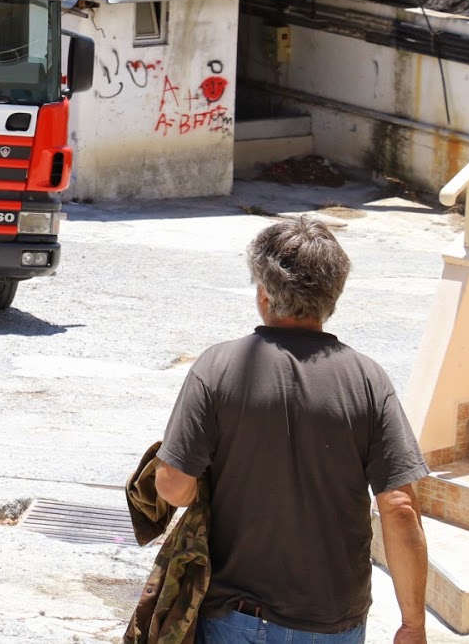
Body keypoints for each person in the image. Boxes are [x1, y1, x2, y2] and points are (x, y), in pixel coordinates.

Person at [153, 215, 430, 644]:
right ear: (332, 296)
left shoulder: (217, 367)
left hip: (237, 619)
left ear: (264, 294)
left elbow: (172, 485)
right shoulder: (368, 379)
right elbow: (399, 507)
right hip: (334, 623)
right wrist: (413, 624)